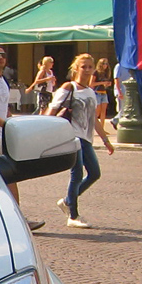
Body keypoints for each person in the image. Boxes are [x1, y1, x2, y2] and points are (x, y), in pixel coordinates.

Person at [0, 46, 44, 231]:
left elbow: (3, 107)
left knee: (10, 176)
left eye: (3, 55)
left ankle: (18, 219)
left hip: (1, 136)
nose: (0, 58)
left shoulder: (3, 80)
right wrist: (5, 125)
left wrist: (11, 124)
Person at [48, 53, 114, 229]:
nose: (86, 70)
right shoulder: (69, 87)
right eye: (83, 66)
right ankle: (73, 215)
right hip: (71, 136)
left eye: (89, 67)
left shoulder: (91, 93)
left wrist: (106, 140)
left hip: (86, 138)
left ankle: (68, 200)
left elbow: (93, 120)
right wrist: (43, 130)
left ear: (94, 69)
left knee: (94, 173)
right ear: (76, 68)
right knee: (76, 173)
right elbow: (52, 110)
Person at [111, 60, 132, 128]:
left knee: (125, 109)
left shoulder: (129, 67)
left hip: (128, 91)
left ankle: (116, 121)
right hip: (121, 90)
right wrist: (119, 91)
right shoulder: (118, 66)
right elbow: (116, 79)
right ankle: (115, 121)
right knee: (122, 109)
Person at [91, 58, 112, 122]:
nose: (105, 65)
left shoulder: (106, 73)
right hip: (97, 93)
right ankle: (94, 127)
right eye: (104, 64)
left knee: (103, 112)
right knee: (97, 112)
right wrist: (102, 83)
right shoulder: (95, 72)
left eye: (106, 64)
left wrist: (107, 84)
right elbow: (91, 83)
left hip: (104, 92)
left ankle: (102, 129)